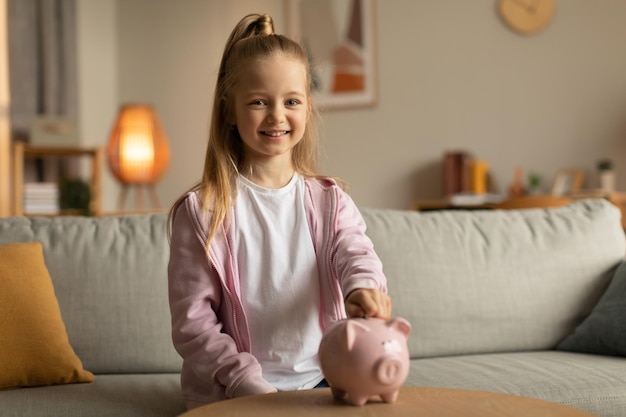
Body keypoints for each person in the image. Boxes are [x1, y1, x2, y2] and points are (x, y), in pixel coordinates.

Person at [167, 13, 391, 410]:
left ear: (307, 108)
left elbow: (355, 251)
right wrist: (241, 381)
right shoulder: (201, 212)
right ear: (229, 111)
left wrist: (363, 288)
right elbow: (193, 324)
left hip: (327, 381)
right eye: (258, 102)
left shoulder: (330, 201)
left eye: (291, 101)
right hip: (230, 392)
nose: (276, 115)